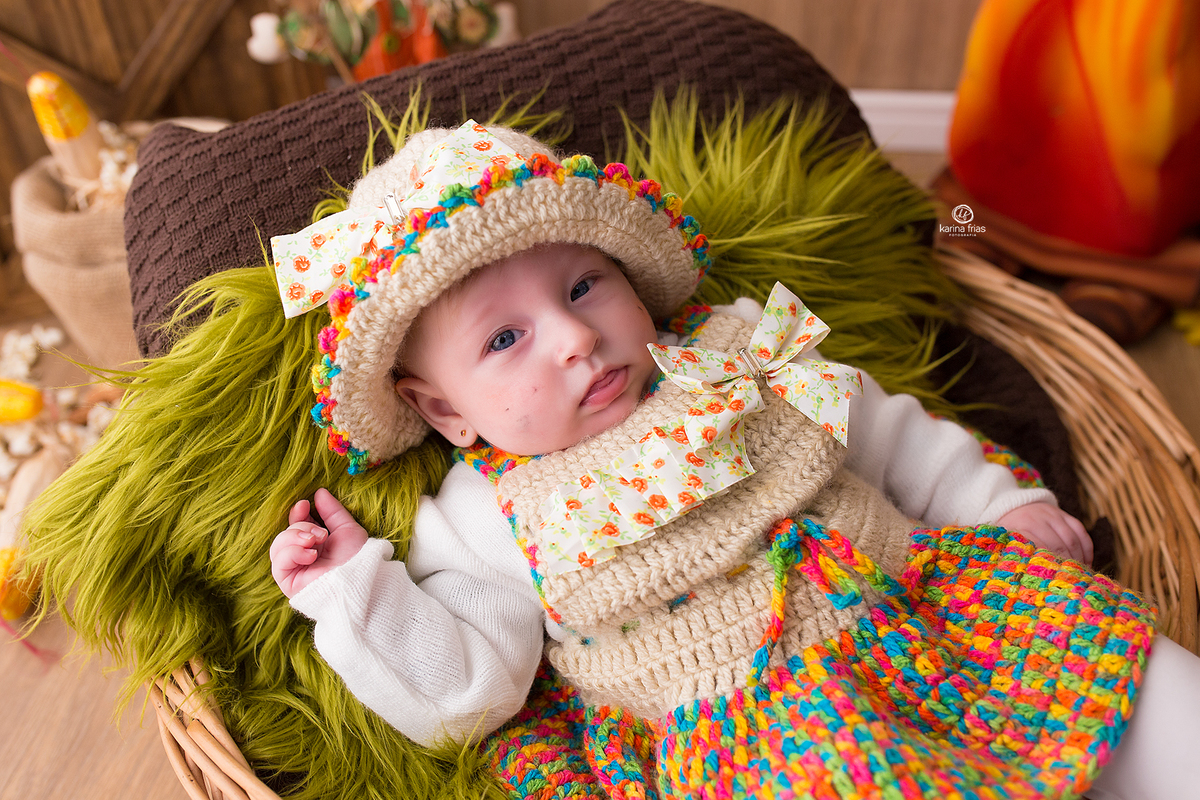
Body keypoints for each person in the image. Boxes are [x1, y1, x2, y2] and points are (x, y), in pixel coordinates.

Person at [267, 121, 1197, 799]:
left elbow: (890, 436)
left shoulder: (739, 346)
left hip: (935, 613)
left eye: (585, 284)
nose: (572, 337)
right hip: (760, 745)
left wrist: (1001, 509)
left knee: (1151, 695)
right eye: (505, 338)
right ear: (444, 412)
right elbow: (472, 693)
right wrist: (358, 594)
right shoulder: (484, 514)